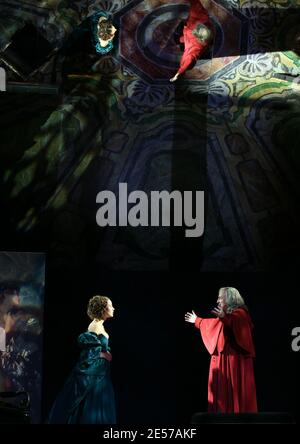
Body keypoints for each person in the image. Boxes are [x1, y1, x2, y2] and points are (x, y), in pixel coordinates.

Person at [185, 287, 257, 413]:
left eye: (220, 297)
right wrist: (198, 321)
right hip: (223, 358)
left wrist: (224, 318)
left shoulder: (241, 314)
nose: (218, 300)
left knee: (234, 389)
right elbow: (215, 323)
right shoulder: (227, 315)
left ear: (229, 299)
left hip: (234, 359)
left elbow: (235, 323)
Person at [48, 295, 116, 424]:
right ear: (103, 308)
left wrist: (106, 353)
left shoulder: (99, 325)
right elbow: (87, 352)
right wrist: (103, 355)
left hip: (101, 373)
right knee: (93, 409)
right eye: (110, 305)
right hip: (95, 375)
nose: (113, 308)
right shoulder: (95, 326)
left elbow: (99, 347)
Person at [170, 0, 214, 82]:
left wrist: (178, 74)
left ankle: (178, 39)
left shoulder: (194, 48)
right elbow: (196, 4)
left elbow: (187, 62)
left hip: (187, 38)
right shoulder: (202, 19)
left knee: (177, 40)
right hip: (190, 36)